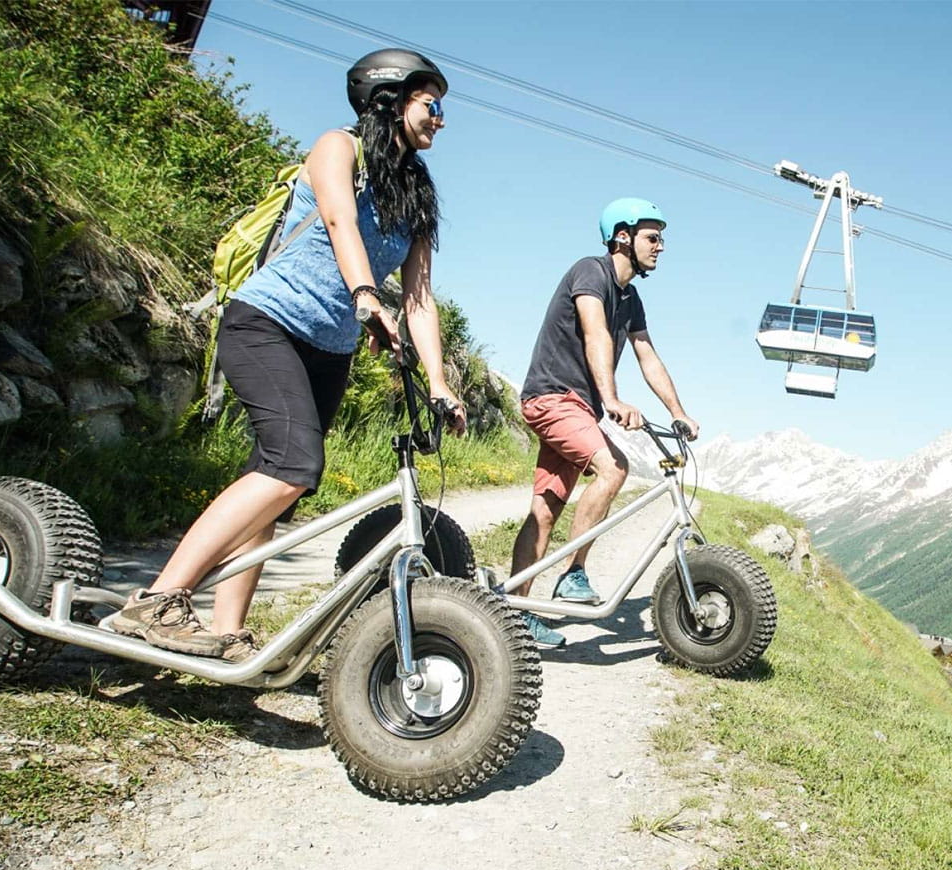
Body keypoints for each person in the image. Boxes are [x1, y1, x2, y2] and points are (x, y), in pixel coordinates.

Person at [108, 48, 467, 661]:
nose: (442, 119)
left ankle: (226, 630)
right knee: (293, 464)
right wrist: (363, 293)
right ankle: (159, 600)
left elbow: (420, 298)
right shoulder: (338, 147)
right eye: (432, 104)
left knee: (278, 478)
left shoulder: (417, 193)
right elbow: (337, 222)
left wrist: (439, 381)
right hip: (266, 323)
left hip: (328, 349)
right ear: (390, 97)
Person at [508, 198, 698, 647]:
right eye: (653, 237)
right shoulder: (591, 271)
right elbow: (595, 331)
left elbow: (647, 355)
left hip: (575, 406)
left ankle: (513, 613)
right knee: (613, 468)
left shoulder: (631, 299)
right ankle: (573, 574)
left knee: (545, 510)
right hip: (554, 396)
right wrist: (610, 397)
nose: (661, 246)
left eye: (661, 238)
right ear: (622, 237)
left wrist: (678, 411)